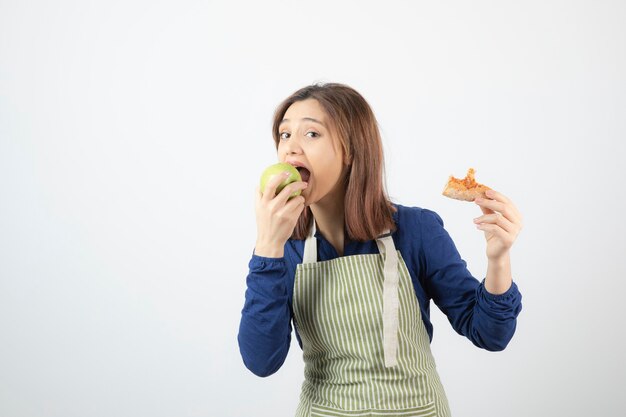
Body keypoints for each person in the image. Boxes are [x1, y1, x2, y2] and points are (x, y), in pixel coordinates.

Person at [238, 82, 523, 417]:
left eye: (311, 134)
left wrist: (498, 258)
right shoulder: (283, 250)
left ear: (352, 151)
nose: (291, 149)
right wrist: (267, 247)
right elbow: (261, 362)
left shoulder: (416, 231)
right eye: (284, 135)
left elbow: (489, 334)